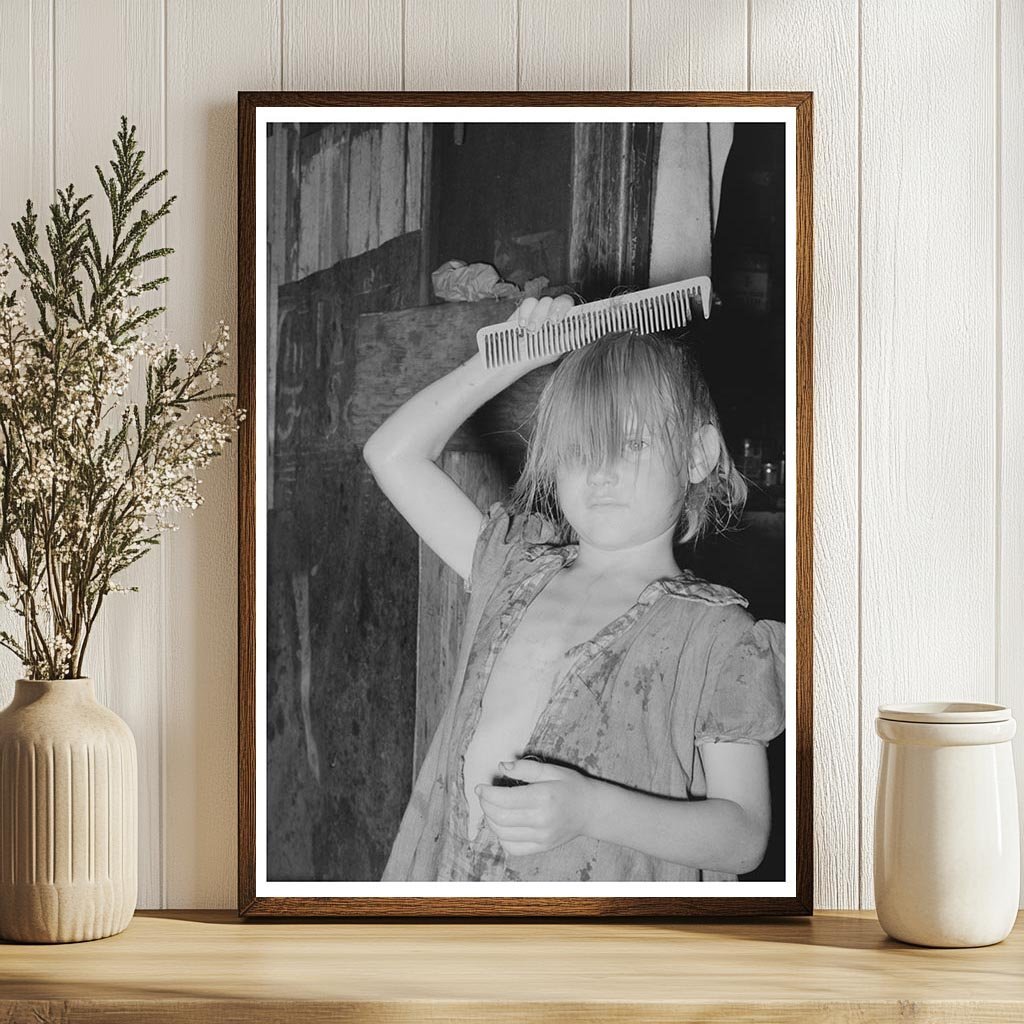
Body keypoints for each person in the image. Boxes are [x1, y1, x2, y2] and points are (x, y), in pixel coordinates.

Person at [363, 294, 785, 882]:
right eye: (581, 450)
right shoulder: (510, 570)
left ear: (697, 455)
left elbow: (743, 836)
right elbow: (392, 454)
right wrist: (508, 358)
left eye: (632, 444)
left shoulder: (716, 637)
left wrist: (591, 809)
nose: (602, 472)